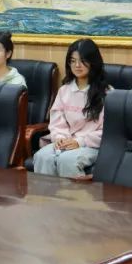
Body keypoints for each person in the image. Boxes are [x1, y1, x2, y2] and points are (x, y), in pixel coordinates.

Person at [33, 38, 110, 178]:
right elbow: (57, 122)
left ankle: (75, 194)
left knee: (67, 160)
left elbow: (109, 131)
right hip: (66, 142)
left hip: (92, 145)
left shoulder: (107, 94)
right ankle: (45, 193)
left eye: (82, 61)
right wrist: (60, 138)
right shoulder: (64, 90)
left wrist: (79, 142)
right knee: (42, 156)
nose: (77, 65)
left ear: (93, 62)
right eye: (73, 61)